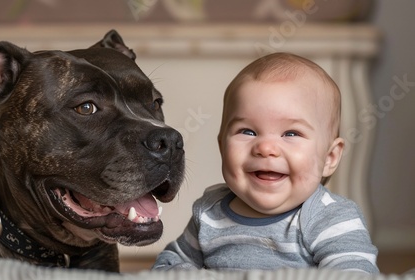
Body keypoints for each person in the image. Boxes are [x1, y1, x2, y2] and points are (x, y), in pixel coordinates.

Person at [152, 53, 379, 273]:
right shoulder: (209, 213)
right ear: (222, 147)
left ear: (329, 158)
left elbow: (354, 272)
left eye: (291, 134)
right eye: (248, 131)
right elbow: (170, 263)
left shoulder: (330, 217)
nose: (266, 148)